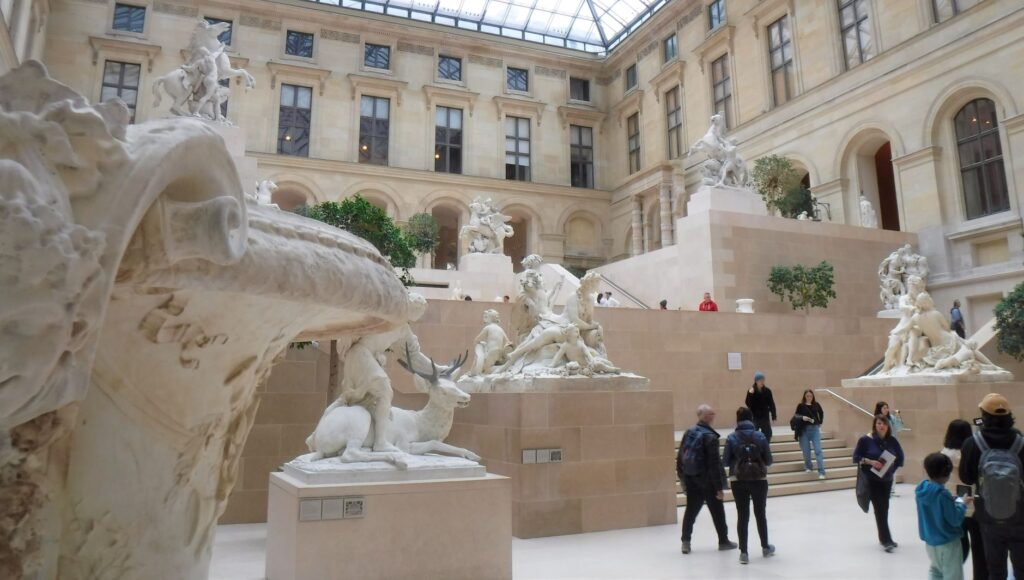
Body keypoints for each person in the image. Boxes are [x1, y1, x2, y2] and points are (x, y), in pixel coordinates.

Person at [959, 393, 1024, 580]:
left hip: (988, 517)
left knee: (995, 570)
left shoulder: (973, 443)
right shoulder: (1021, 442)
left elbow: (966, 477)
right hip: (1020, 516)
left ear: (984, 415)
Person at [677, 404, 737, 554]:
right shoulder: (710, 437)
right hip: (708, 481)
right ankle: (723, 541)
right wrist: (719, 488)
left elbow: (680, 457)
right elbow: (714, 465)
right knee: (717, 512)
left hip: (692, 478)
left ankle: (686, 541)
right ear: (706, 416)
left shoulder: (689, 432)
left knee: (690, 511)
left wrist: (683, 477)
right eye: (712, 413)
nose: (714, 415)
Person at [723, 407, 775, 564]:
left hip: (738, 481)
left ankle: (744, 553)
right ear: (751, 419)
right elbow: (769, 460)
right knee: (760, 514)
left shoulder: (731, 437)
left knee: (742, 516)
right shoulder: (760, 436)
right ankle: (765, 547)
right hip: (759, 480)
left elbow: (725, 461)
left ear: (737, 419)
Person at [853, 414, 906, 552]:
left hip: (887, 480)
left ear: (888, 426)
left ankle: (884, 537)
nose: (881, 426)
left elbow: (900, 458)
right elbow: (856, 457)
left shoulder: (892, 441)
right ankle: (886, 540)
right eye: (878, 424)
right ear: (874, 425)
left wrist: (891, 469)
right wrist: (871, 462)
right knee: (880, 508)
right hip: (872, 480)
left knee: (885, 507)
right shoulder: (866, 440)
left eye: (883, 424)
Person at [942, 419, 987, 580]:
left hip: (954, 506)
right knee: (979, 548)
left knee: (958, 547)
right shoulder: (972, 453)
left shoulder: (943, 454)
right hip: (973, 505)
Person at [917, 453, 972, 580]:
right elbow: (955, 520)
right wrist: (962, 504)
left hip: (930, 542)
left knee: (936, 571)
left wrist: (950, 503)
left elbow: (934, 507)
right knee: (953, 575)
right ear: (946, 473)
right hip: (948, 543)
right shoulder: (943, 495)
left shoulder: (921, 490)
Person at [795, 389, 827, 479]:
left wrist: (820, 421)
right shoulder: (800, 406)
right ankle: (808, 466)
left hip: (815, 430)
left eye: (811, 396)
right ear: (804, 396)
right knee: (806, 451)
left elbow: (821, 413)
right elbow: (796, 416)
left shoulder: (816, 405)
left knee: (818, 450)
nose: (809, 397)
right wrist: (802, 417)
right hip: (804, 430)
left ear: (813, 397)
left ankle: (821, 471)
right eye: (807, 396)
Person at [745, 372, 777, 442]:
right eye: (760, 380)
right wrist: (750, 394)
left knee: (768, 434)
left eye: (763, 380)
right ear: (756, 381)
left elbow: (771, 403)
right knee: (752, 434)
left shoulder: (767, 391)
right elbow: (748, 404)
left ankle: (765, 447)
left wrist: (774, 416)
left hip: (764, 416)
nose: (762, 382)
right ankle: (756, 449)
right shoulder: (751, 391)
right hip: (755, 417)